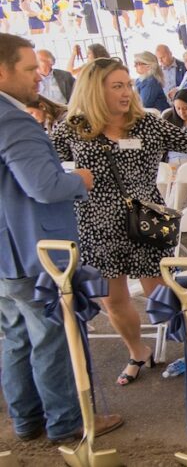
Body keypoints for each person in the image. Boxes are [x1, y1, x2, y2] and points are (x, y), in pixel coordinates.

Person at [51, 57, 187, 386]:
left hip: (146, 221)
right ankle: (138, 351)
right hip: (97, 225)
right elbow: (46, 167)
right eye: (117, 86)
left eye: (128, 85)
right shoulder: (73, 127)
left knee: (162, 293)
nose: (126, 93)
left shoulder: (147, 124)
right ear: (95, 90)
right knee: (112, 298)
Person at [0, 33, 123, 442]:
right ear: (3, 71)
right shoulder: (12, 119)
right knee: (52, 337)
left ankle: (27, 419)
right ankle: (67, 421)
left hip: (7, 252)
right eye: (30, 68)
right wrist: (79, 179)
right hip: (35, 252)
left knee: (17, 337)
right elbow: (45, 187)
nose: (40, 76)